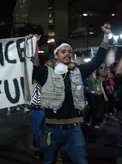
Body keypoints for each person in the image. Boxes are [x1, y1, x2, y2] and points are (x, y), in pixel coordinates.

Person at [33, 23, 111, 164]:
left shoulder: (78, 71)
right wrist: (33, 45)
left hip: (74, 130)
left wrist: (106, 35)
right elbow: (33, 67)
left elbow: (97, 60)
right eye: (63, 52)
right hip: (52, 129)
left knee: (82, 161)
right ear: (56, 55)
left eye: (69, 52)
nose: (67, 54)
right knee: (48, 161)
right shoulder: (45, 74)